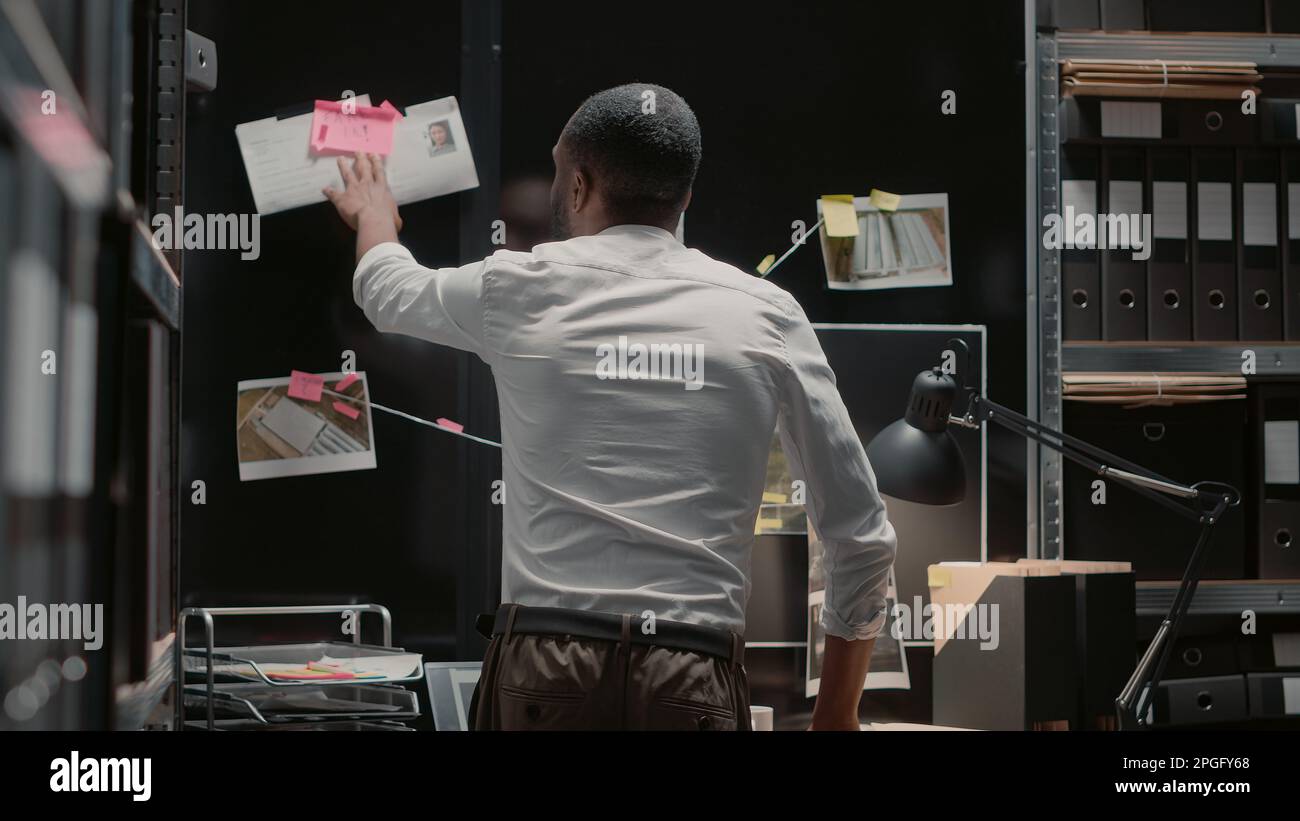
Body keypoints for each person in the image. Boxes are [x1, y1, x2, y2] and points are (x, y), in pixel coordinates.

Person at [323, 83, 896, 731]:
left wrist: (375, 214)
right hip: (694, 675)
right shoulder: (766, 313)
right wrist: (836, 718)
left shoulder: (517, 287)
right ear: (684, 198)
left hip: (546, 667)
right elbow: (861, 537)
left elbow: (385, 290)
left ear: (576, 185)